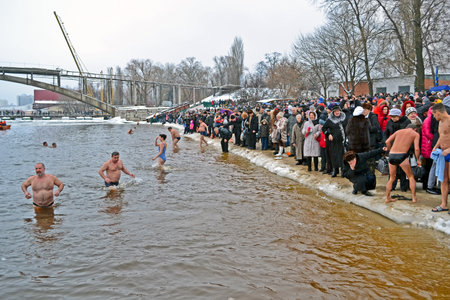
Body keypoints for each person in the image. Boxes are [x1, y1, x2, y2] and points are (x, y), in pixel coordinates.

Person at [384, 124, 421, 203]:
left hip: (392, 155)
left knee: (391, 178)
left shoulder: (398, 131)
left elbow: (387, 141)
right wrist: (418, 159)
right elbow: (417, 148)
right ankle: (414, 198)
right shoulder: (415, 134)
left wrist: (389, 150)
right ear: (414, 129)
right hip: (402, 155)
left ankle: (387, 198)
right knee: (410, 176)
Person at [431, 103, 450, 212]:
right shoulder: (440, 122)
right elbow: (442, 136)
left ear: (438, 112)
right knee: (443, 180)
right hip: (443, 154)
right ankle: (444, 204)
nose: (433, 117)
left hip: (449, 152)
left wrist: (449, 149)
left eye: (434, 114)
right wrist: (436, 146)